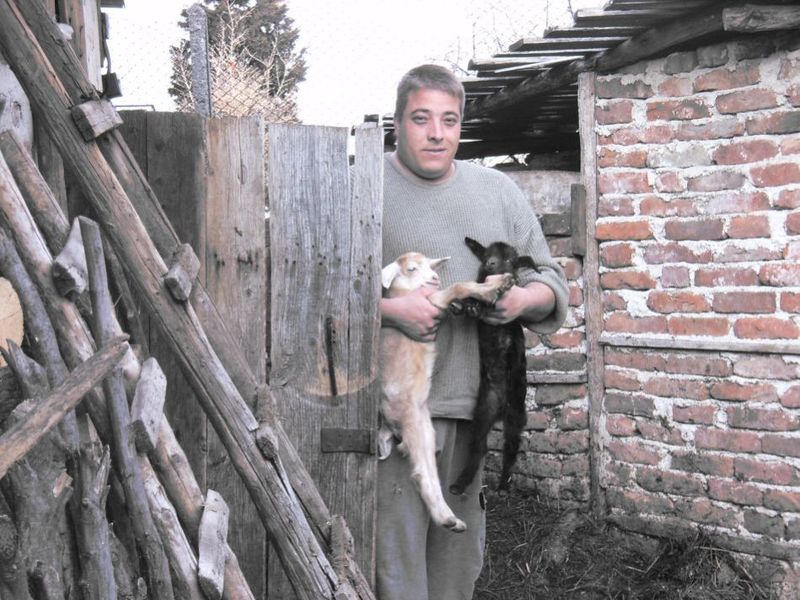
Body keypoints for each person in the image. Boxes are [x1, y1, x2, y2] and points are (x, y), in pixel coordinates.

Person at [377, 64, 569, 600]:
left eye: (449, 120)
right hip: (393, 413)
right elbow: (317, 286)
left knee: (456, 576)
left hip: (470, 413)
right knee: (394, 574)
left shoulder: (497, 191)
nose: (437, 133)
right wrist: (390, 311)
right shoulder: (362, 185)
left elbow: (550, 280)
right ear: (397, 122)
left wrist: (521, 301)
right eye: (421, 119)